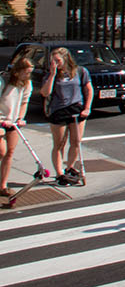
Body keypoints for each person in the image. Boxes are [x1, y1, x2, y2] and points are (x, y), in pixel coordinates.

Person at [40, 47, 93, 186]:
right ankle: (59, 173)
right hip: (59, 109)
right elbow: (45, 93)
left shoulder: (80, 71)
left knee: (76, 141)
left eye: (58, 60)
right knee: (59, 144)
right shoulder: (51, 74)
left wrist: (87, 107)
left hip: (76, 107)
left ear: (65, 58)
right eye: (53, 61)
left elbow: (89, 89)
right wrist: (52, 74)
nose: (56, 63)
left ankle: (70, 167)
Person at [0, 57, 33, 198]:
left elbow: (24, 102)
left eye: (29, 73)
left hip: (13, 122)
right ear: (18, 71)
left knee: (10, 152)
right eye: (26, 72)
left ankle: (3, 185)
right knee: (2, 151)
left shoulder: (26, 84)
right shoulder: (4, 81)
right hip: (1, 120)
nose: (28, 75)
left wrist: (20, 118)